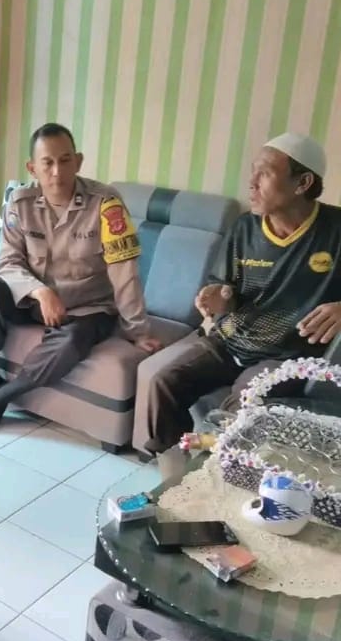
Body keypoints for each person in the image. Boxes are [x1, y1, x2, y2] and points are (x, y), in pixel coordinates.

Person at [145, 132, 341, 454]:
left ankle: (222, 472)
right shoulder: (245, 227)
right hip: (230, 340)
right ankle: (171, 465)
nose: (251, 182)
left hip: (285, 354)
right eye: (253, 171)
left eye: (265, 173)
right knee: (163, 382)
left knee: (242, 407)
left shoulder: (335, 230)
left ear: (302, 182)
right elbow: (226, 290)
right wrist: (219, 299)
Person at [0, 123, 162, 434]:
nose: (57, 171)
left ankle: (4, 395)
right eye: (47, 163)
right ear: (33, 168)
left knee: (71, 343)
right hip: (33, 301)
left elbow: (124, 271)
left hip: (87, 309)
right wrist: (40, 292)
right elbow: (7, 261)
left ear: (78, 161)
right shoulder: (20, 202)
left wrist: (138, 331)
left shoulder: (106, 203)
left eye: (65, 160)